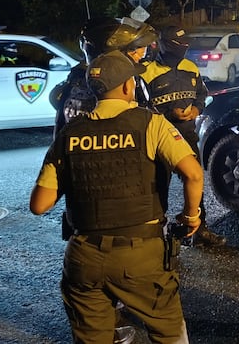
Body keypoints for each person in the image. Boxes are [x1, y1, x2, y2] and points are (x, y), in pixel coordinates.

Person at [29, 49, 204, 344]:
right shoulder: (150, 123)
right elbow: (193, 174)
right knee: (168, 331)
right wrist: (191, 217)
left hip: (83, 257)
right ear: (126, 86)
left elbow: (39, 204)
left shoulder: (70, 133)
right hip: (140, 254)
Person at [144, 24, 225, 247]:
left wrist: (196, 109)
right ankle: (157, 236)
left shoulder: (190, 67)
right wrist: (168, 114)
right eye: (177, 44)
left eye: (185, 44)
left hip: (187, 136)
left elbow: (201, 94)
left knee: (195, 182)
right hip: (159, 140)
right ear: (162, 45)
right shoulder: (146, 71)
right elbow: (140, 108)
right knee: (158, 187)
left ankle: (199, 230)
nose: (183, 47)